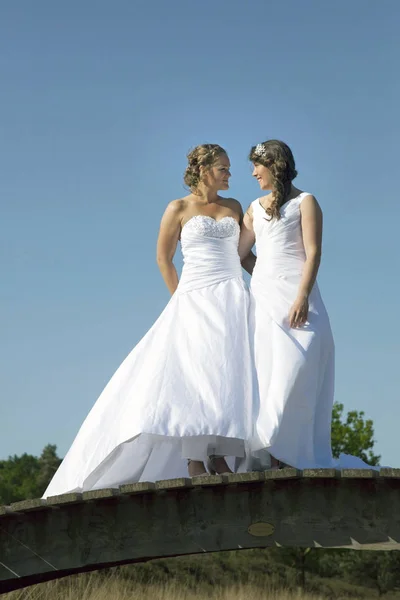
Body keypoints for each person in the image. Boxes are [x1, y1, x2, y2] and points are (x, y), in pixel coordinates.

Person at [43, 144, 258, 497]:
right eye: (224, 168)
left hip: (232, 296)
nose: (230, 174)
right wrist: (179, 299)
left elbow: (243, 254)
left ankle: (221, 454)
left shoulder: (234, 207)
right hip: (194, 296)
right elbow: (163, 258)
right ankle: (194, 459)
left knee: (229, 373)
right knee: (194, 376)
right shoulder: (178, 208)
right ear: (204, 170)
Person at [239, 139, 377, 470]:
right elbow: (241, 254)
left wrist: (302, 294)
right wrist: (263, 275)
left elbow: (313, 252)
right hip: (264, 296)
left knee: (299, 367)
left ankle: (293, 450)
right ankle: (274, 452)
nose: (254, 173)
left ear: (274, 164)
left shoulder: (306, 201)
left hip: (300, 295)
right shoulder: (253, 208)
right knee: (269, 371)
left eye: (257, 165)